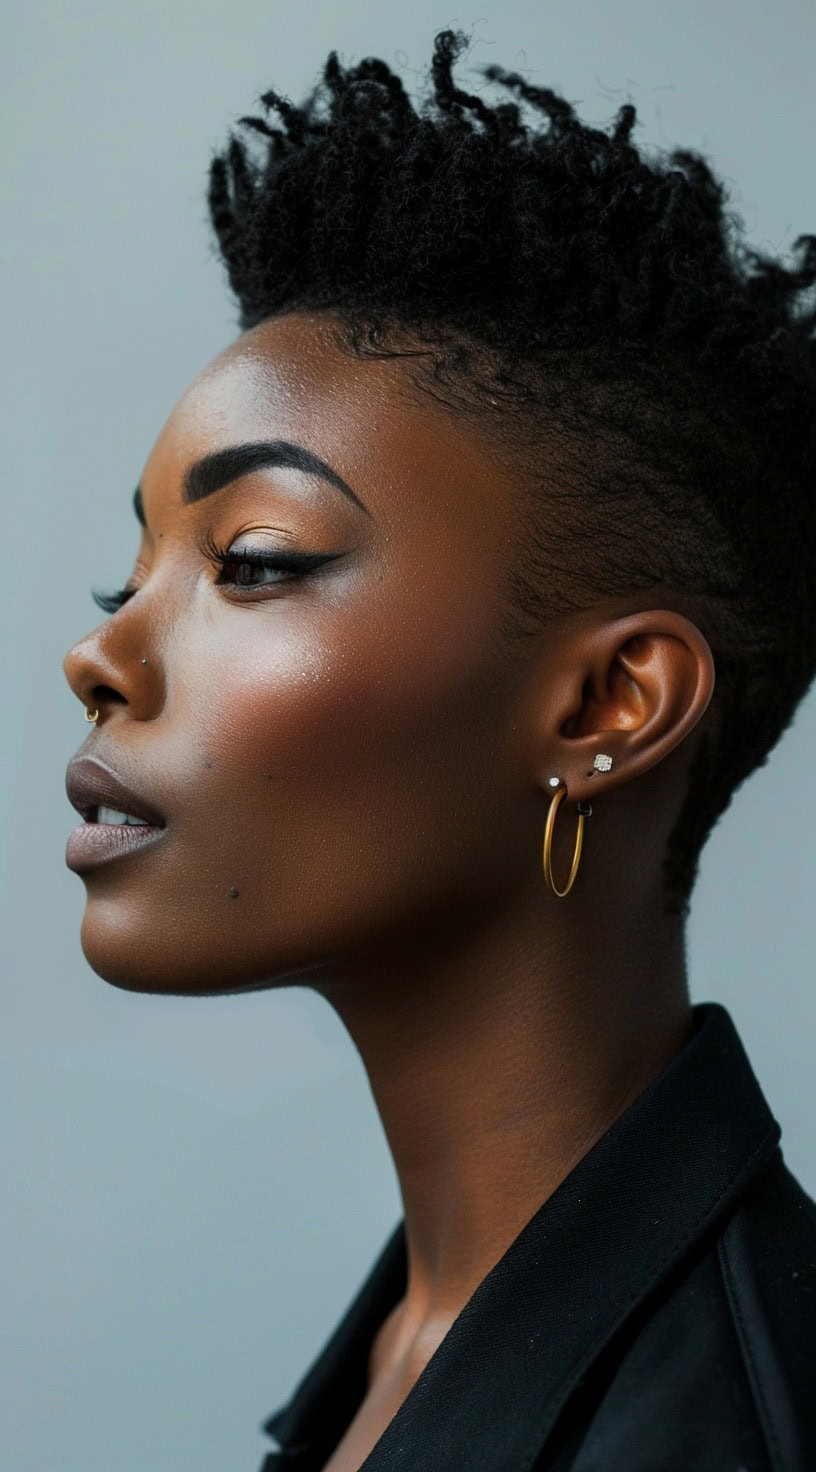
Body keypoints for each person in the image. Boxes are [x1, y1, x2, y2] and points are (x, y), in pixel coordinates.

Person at [62, 28, 816, 1472]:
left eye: (257, 561)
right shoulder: (406, 1353)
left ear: (609, 707)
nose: (98, 657)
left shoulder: (724, 1428)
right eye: (131, 576)